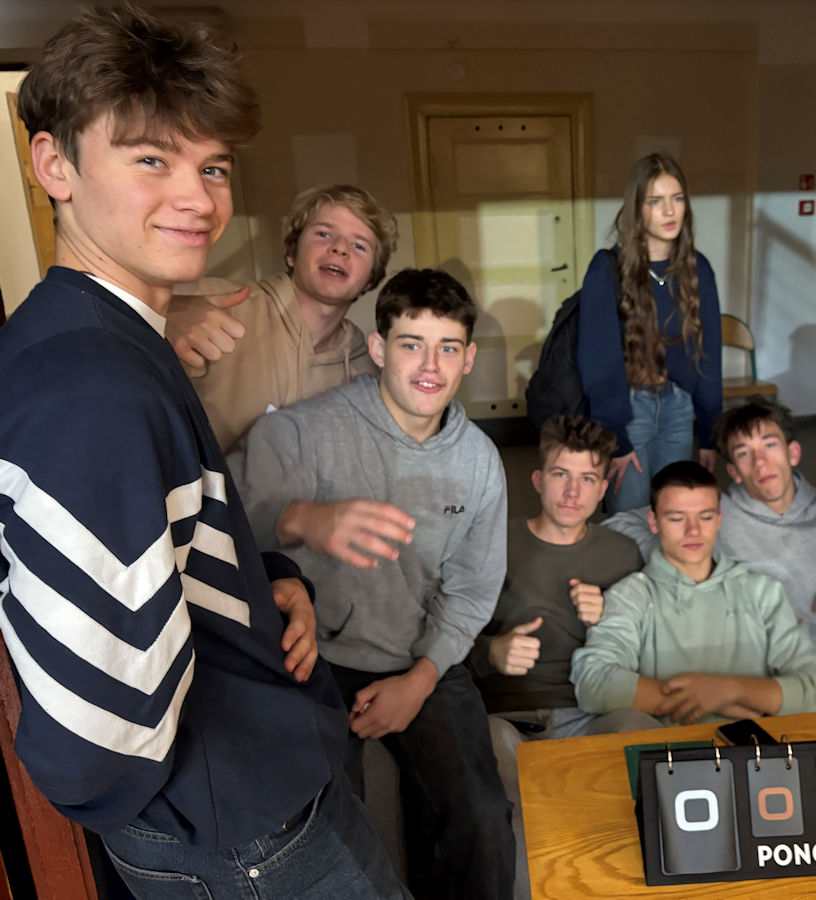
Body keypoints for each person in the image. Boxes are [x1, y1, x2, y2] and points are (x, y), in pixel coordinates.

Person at [0, 7, 408, 898]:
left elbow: (166, 542)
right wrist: (197, 806)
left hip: (248, 793)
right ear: (53, 164)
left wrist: (261, 584)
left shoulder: (117, 337)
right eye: (151, 159)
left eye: (212, 166)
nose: (198, 198)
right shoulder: (92, 387)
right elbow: (89, 739)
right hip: (237, 833)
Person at [229, 267, 514, 898]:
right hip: (310, 657)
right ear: (380, 348)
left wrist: (422, 678)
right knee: (329, 834)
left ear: (468, 359)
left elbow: (471, 592)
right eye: (412, 344)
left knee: (482, 820)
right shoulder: (299, 433)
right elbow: (217, 526)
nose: (430, 366)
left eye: (448, 347)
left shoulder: (479, 463)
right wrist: (301, 519)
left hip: (419, 655)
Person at [604, 397, 816, 706]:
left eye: (769, 445)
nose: (760, 463)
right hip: (752, 676)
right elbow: (622, 523)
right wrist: (676, 552)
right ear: (733, 472)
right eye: (744, 453)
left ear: (793, 453)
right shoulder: (712, 515)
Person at [469, 414, 657, 900]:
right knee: (505, 789)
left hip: (592, 713)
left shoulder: (621, 554)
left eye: (587, 479)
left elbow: (648, 648)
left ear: (603, 489)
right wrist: (491, 652)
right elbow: (447, 633)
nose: (573, 492)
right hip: (508, 716)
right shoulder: (494, 543)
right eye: (560, 474)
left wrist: (608, 620)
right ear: (537, 480)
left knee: (647, 744)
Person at [571, 461, 816, 724]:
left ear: (719, 519)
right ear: (653, 522)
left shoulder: (762, 593)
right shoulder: (630, 596)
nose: (693, 531)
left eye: (705, 517)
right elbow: (593, 681)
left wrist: (731, 690)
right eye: (677, 518)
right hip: (668, 750)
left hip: (756, 748)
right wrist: (701, 698)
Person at [166, 183, 398, 451]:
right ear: (292, 253)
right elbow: (124, 306)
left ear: (370, 279)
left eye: (359, 246)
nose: (340, 248)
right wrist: (166, 314)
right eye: (323, 234)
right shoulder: (212, 303)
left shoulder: (367, 371)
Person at [578, 152, 722, 512]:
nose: (669, 211)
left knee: (673, 515)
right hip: (628, 412)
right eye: (655, 201)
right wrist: (616, 437)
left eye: (677, 199)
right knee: (630, 522)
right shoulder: (606, 269)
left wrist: (709, 434)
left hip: (678, 408)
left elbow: (708, 358)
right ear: (636, 208)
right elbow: (598, 364)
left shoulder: (698, 269)